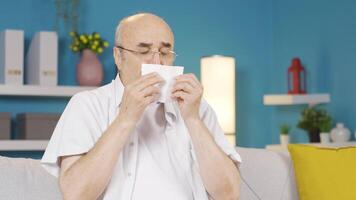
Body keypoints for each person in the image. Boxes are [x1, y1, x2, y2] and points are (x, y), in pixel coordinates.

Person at [41, 12, 241, 200]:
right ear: (119, 57)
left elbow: (229, 193)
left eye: (165, 52)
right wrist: (126, 118)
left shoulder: (195, 105)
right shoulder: (87, 104)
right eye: (144, 51)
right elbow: (76, 194)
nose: (157, 61)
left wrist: (193, 119)